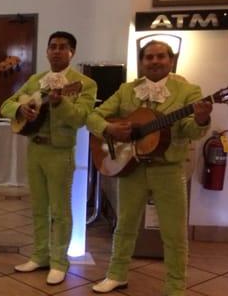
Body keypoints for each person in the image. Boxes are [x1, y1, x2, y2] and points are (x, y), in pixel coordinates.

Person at [88, 40, 212, 295]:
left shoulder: (188, 91)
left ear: (171, 60)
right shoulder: (127, 90)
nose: (155, 61)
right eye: (149, 57)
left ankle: (176, 286)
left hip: (168, 170)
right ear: (142, 61)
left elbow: (191, 130)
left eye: (161, 57)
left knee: (174, 232)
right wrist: (108, 128)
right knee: (125, 225)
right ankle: (116, 274)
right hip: (132, 167)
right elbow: (94, 116)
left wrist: (201, 119)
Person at [1, 31, 97, 285]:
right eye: (52, 46)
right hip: (34, 149)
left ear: (71, 52)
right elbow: (6, 104)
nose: (56, 51)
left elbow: (80, 118)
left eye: (62, 47)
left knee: (60, 210)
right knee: (38, 208)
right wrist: (20, 108)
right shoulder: (36, 79)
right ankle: (40, 255)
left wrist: (59, 104)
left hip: (60, 152)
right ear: (46, 51)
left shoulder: (84, 83)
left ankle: (59, 262)